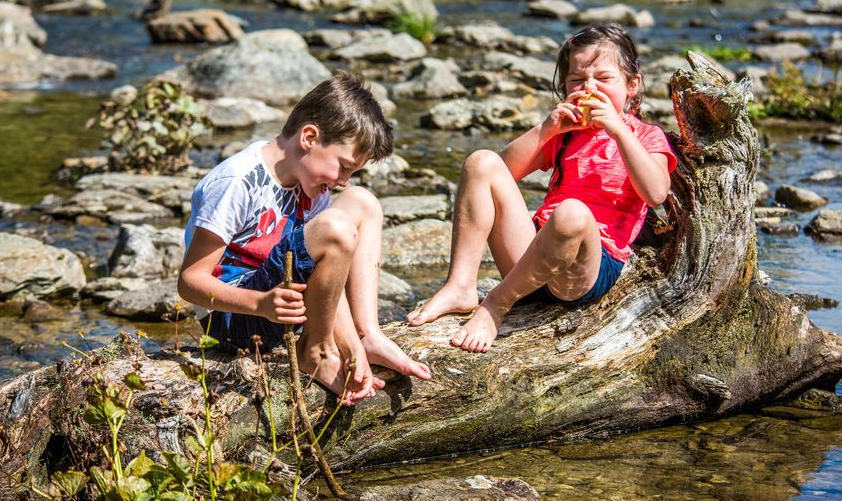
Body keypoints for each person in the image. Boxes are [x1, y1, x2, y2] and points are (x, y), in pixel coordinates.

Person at [406, 22, 677, 352]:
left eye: (604, 79)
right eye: (577, 80)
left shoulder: (646, 136)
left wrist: (619, 130)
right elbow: (499, 173)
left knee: (572, 214)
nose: (589, 88)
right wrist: (546, 130)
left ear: (632, 84)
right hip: (531, 257)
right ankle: (460, 284)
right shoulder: (566, 133)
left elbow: (656, 193)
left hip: (583, 271)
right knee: (480, 161)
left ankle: (497, 303)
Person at [178, 72, 431, 404]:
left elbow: (326, 272)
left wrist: (352, 344)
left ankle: (367, 334)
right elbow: (189, 282)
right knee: (336, 228)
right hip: (234, 317)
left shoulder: (308, 183)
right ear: (309, 137)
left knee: (363, 204)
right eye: (343, 167)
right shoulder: (237, 182)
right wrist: (261, 304)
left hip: (280, 300)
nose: (342, 181)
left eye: (350, 172)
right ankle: (316, 351)